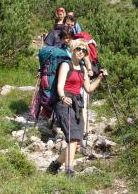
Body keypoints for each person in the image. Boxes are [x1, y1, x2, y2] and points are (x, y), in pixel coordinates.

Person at [47, 40, 108, 176]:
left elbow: (89, 89)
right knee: (72, 137)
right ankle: (69, 170)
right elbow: (59, 86)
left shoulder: (83, 69)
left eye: (84, 50)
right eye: (78, 49)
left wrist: (100, 77)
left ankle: (55, 164)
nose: (81, 52)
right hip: (64, 103)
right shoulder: (65, 65)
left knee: (77, 143)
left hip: (77, 103)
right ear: (73, 50)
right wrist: (63, 97)